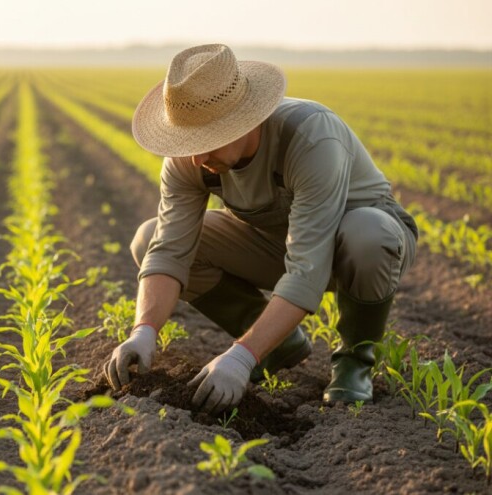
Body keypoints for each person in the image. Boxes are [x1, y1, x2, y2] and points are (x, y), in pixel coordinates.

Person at [103, 43, 418, 415]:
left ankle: (354, 362)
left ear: (246, 120)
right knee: (147, 239)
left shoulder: (311, 137)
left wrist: (241, 356)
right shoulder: (191, 160)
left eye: (207, 140)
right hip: (273, 241)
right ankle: (275, 341)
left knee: (368, 234)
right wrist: (143, 330)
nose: (197, 158)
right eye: (189, 142)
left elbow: (307, 269)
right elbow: (169, 249)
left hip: (351, 247)